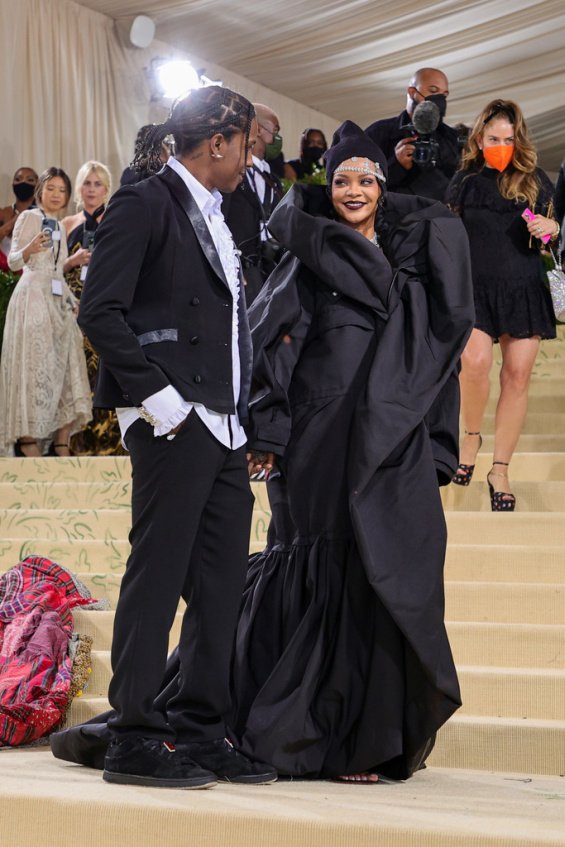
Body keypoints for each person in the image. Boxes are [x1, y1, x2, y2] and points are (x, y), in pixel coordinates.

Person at [51, 121, 473, 784]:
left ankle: (361, 737)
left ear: (384, 188)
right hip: (317, 442)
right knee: (321, 570)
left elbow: (437, 361)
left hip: (391, 445)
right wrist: (270, 434)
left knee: (385, 574)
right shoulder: (304, 256)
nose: (354, 190)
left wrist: (442, 442)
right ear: (327, 188)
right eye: (341, 180)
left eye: (366, 179)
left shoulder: (416, 263)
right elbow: (269, 348)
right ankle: (313, 734)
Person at [74, 86, 276, 790]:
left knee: (219, 585)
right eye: (247, 144)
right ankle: (133, 732)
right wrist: (162, 402)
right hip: (171, 416)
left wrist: (238, 416)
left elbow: (228, 330)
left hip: (221, 422)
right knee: (158, 572)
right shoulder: (144, 199)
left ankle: (200, 728)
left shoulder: (224, 213)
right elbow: (100, 311)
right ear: (216, 141)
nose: (251, 157)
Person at [447, 99, 558, 510]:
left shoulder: (534, 180)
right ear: (479, 139)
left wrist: (552, 227)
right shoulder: (464, 182)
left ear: (518, 140)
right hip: (474, 289)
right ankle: (471, 437)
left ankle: (500, 469)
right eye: (494, 138)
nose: (501, 145)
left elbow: (552, 235)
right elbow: (446, 234)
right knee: (473, 365)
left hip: (524, 287)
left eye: (509, 139)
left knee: (517, 378)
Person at [0, 167, 91, 457]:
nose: (56, 195)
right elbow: (14, 262)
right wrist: (29, 247)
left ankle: (61, 440)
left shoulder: (60, 226)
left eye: (61, 190)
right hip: (30, 299)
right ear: (40, 190)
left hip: (54, 300)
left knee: (67, 361)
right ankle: (28, 440)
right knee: (32, 366)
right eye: (50, 188)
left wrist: (70, 301)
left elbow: (57, 273)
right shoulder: (28, 217)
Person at [62, 161, 121, 455]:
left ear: (107, 189)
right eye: (87, 183)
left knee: (108, 370)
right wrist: (72, 262)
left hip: (107, 307)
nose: (92, 190)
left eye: (98, 184)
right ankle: (78, 445)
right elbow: (49, 270)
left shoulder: (117, 220)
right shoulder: (67, 224)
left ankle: (111, 445)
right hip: (72, 312)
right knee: (77, 373)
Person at [365, 67, 461, 201]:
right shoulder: (379, 132)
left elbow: (461, 189)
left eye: (444, 95)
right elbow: (362, 184)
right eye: (433, 91)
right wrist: (396, 165)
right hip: (393, 218)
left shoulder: (451, 138)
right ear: (412, 92)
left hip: (440, 217)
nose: (439, 99)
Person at [223, 103, 283, 305]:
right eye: (275, 131)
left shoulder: (272, 178)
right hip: (243, 269)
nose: (276, 140)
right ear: (258, 129)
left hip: (268, 267)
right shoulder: (232, 172)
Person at [0, 167, 38, 258]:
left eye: (29, 180)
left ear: (37, 185)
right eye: (18, 179)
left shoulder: (43, 214)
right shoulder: (4, 213)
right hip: (4, 270)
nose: (23, 182)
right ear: (13, 184)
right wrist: (13, 222)